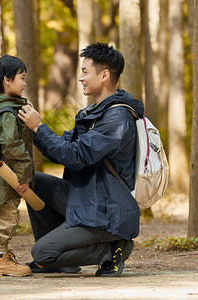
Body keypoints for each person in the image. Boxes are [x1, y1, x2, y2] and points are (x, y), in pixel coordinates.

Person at [18, 43, 143, 277]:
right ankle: (62, 260)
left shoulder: (117, 119)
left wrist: (38, 127)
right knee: (33, 182)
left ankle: (111, 248)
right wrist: (33, 129)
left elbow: (75, 156)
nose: (80, 78)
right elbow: (64, 147)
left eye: (85, 71)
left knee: (41, 253)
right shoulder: (97, 112)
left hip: (106, 212)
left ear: (104, 75)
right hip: (88, 199)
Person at [0, 55, 34, 277]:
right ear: (7, 80)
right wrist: (24, 175)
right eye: (21, 78)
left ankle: (2, 257)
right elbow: (12, 146)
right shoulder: (6, 113)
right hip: (7, 175)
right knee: (6, 215)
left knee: (4, 214)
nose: (24, 83)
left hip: (1, 174)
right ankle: (0, 261)